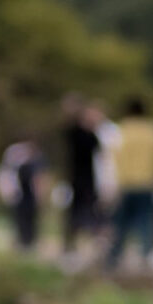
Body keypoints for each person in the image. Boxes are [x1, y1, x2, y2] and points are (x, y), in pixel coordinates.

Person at [106, 97, 153, 270]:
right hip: (147, 183)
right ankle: (146, 255)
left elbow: (112, 159)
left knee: (120, 222)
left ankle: (114, 256)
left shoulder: (120, 130)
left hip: (125, 183)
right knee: (146, 221)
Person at [61, 94, 101, 254]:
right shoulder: (74, 133)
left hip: (86, 178)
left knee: (89, 211)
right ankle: (71, 242)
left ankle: (89, 242)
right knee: (74, 212)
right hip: (76, 178)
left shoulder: (91, 135)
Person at [0, 139, 45, 249]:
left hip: (25, 197)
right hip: (22, 197)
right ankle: (25, 242)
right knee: (23, 220)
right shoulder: (20, 164)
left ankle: (27, 242)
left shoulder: (24, 164)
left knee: (26, 220)